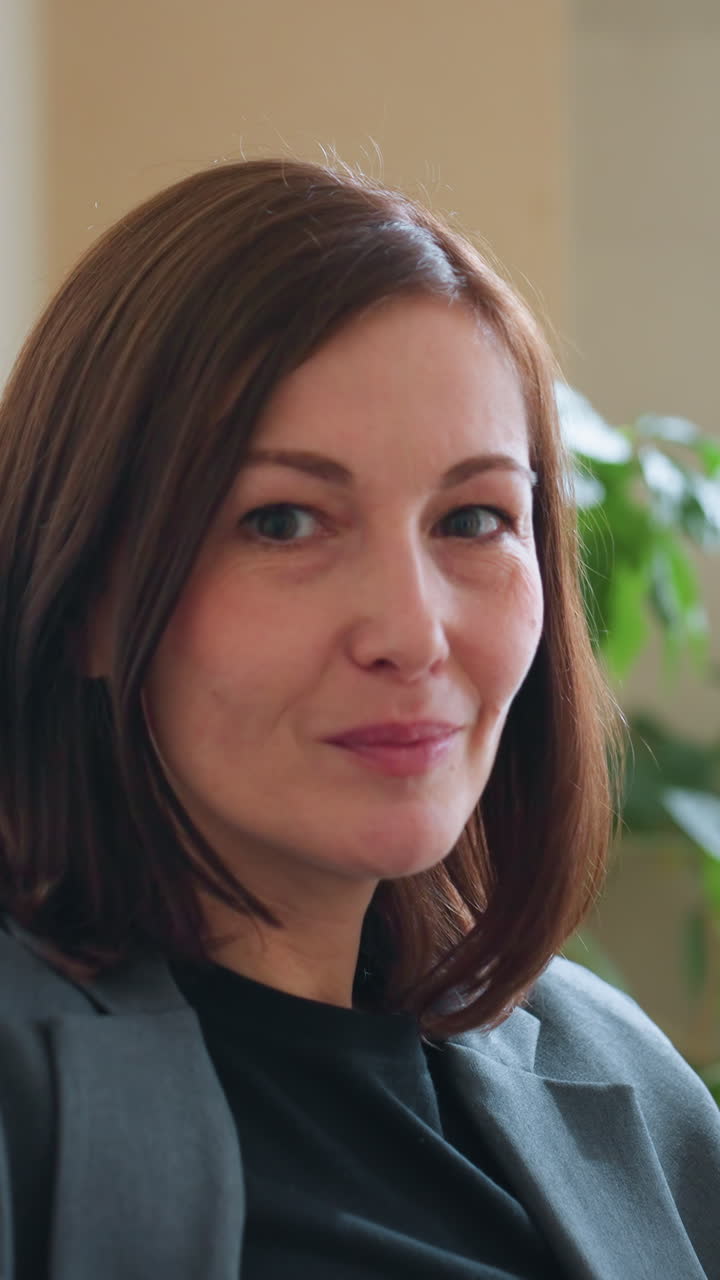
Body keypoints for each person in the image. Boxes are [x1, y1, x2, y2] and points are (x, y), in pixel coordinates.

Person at [0, 158, 717, 1280]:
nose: (412, 629)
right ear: (85, 588)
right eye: (284, 520)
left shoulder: (621, 1070)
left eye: (475, 517)